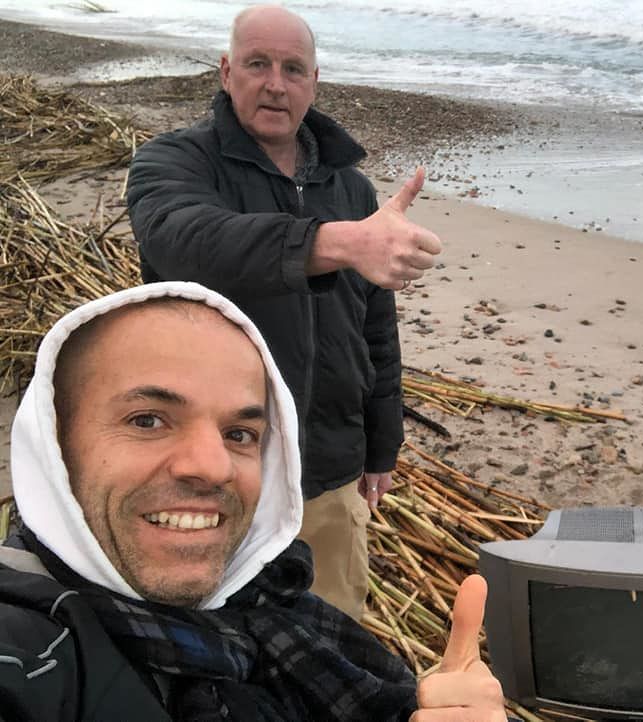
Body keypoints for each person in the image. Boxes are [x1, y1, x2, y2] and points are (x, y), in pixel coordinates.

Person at [0, 282, 506, 721]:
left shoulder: (280, 610)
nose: (213, 466)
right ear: (53, 449)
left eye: (240, 433)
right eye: (147, 420)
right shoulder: (30, 655)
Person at [126, 4, 443, 620]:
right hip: (211, 471)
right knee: (216, 643)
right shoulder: (175, 162)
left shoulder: (351, 189)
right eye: (258, 64)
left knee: (332, 639)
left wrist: (382, 445)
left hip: (329, 470)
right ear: (226, 71)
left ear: (314, 82)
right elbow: (185, 239)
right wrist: (336, 243)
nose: (276, 82)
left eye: (293, 68)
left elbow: (374, 330)